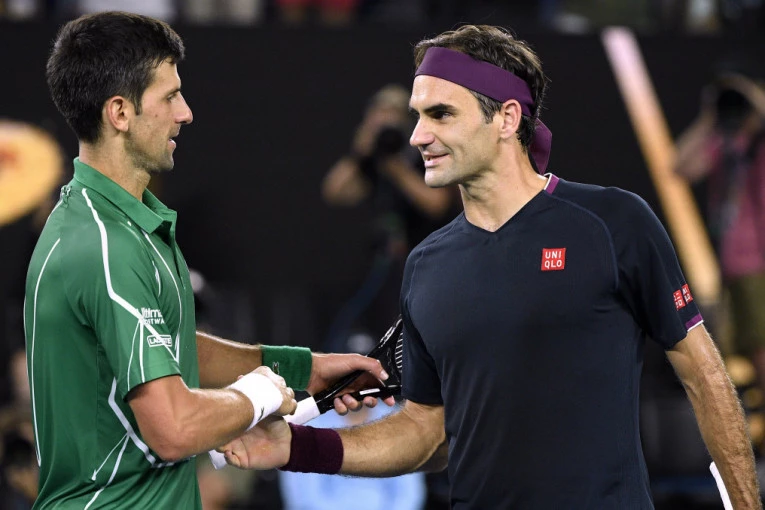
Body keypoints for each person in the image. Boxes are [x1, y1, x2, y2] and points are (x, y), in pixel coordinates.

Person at [218, 25, 761, 509]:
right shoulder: (427, 265)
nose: (417, 135)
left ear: (506, 118)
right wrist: (296, 446)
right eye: (417, 115)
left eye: (441, 114)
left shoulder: (614, 222)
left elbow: (703, 374)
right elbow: (428, 432)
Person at [26, 11, 390, 509]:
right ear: (120, 113)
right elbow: (173, 428)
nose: (186, 113)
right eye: (170, 97)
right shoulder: (104, 246)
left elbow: (168, 347)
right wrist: (257, 395)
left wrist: (302, 369)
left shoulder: (119, 225)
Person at [322, 84, 454, 349]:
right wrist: (359, 153)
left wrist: (397, 168)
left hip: (428, 260)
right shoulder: (374, 161)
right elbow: (335, 192)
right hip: (386, 265)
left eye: (392, 116)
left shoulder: (423, 153)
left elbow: (437, 204)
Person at [674, 69, 765, 445]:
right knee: (745, 353)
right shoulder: (726, 142)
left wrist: (755, 105)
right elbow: (680, 166)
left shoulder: (759, 145)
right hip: (733, 268)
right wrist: (710, 117)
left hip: (758, 265)